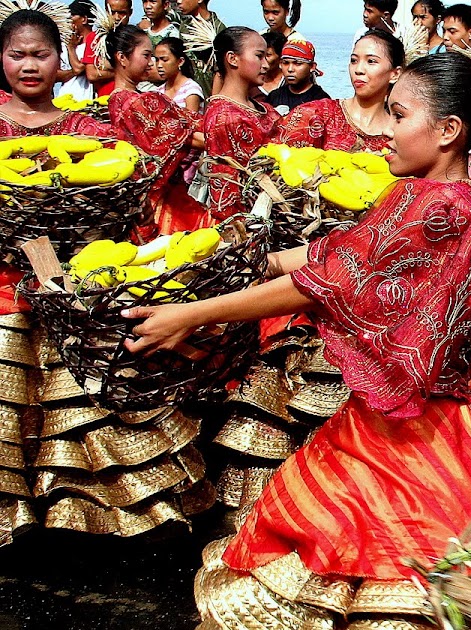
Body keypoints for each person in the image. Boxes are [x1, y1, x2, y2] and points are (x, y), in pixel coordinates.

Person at [127, 53, 471, 630]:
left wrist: (192, 313)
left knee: (365, 562)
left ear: (449, 131)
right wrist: (249, 256)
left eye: (400, 116)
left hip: (402, 427)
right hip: (433, 419)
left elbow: (324, 281)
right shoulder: (453, 199)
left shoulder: (435, 206)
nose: (386, 136)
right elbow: (343, 251)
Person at [0, 7, 213, 549]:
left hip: (73, 278)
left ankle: (82, 518)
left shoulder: (88, 129)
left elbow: (125, 193)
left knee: (83, 399)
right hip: (3, 283)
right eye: (17, 54)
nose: (30, 65)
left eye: (41, 54)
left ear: (63, 58)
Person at [212, 30, 405, 524]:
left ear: (395, 73)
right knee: (281, 394)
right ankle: (263, 515)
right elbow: (272, 182)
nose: (359, 69)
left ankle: (332, 513)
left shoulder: (404, 139)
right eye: (355, 59)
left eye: (372, 61)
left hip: (369, 289)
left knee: (345, 402)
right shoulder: (315, 116)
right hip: (302, 276)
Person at [105, 24, 206, 238]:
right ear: (122, 58)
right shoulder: (131, 101)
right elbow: (185, 136)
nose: (151, 63)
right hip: (156, 203)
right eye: (146, 55)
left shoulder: (133, 97)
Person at [202, 27, 281, 222]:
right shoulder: (223, 116)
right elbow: (225, 187)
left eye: (267, 57)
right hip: (249, 222)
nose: (266, 65)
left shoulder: (261, 107)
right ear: (233, 59)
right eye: (259, 56)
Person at [266, 39, 328, 115]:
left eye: (297, 63)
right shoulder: (274, 97)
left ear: (312, 67)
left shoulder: (322, 101)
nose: (290, 69)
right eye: (285, 63)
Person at [178, 0, 226, 97]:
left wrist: (214, 101)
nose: (178, 1)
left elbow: (221, 71)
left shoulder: (218, 29)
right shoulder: (184, 27)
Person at [152, 36, 203, 111]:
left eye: (164, 60)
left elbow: (192, 120)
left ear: (180, 61)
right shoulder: (157, 92)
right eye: (157, 60)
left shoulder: (191, 90)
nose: (159, 65)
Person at [57, 0, 94, 100]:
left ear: (84, 19)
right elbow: (54, 75)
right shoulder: (65, 45)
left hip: (85, 103)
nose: (68, 21)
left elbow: (78, 68)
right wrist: (73, 71)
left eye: (71, 17)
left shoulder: (96, 44)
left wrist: (71, 48)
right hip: (63, 102)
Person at [258, 30, 286, 96]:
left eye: (268, 55)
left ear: (280, 56)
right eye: (259, 55)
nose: (263, 60)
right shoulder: (251, 84)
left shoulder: (289, 81)